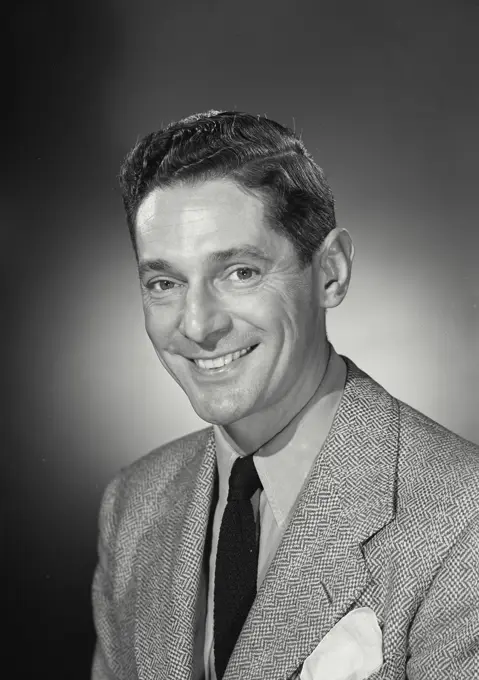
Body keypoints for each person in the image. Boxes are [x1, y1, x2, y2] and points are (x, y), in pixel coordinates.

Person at [91, 110, 479, 680]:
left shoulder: (463, 518)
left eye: (240, 272)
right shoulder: (133, 504)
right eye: (165, 283)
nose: (197, 326)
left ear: (331, 272)